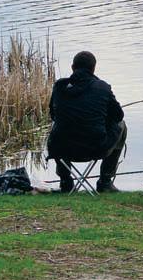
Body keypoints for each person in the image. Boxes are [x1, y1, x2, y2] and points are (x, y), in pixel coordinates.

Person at [47, 51, 126, 193]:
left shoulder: (59, 86)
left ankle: (65, 181)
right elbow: (118, 116)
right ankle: (105, 181)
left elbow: (53, 115)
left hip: (62, 149)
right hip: (96, 148)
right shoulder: (102, 87)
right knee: (122, 125)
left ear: (72, 67)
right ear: (93, 68)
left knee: (58, 128)